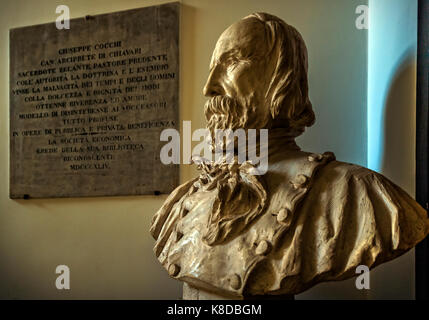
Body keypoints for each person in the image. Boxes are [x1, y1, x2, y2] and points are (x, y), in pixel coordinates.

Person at [150, 12, 429, 298]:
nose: (209, 87)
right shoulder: (183, 200)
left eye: (233, 61)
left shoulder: (356, 193)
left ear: (281, 79)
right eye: (213, 68)